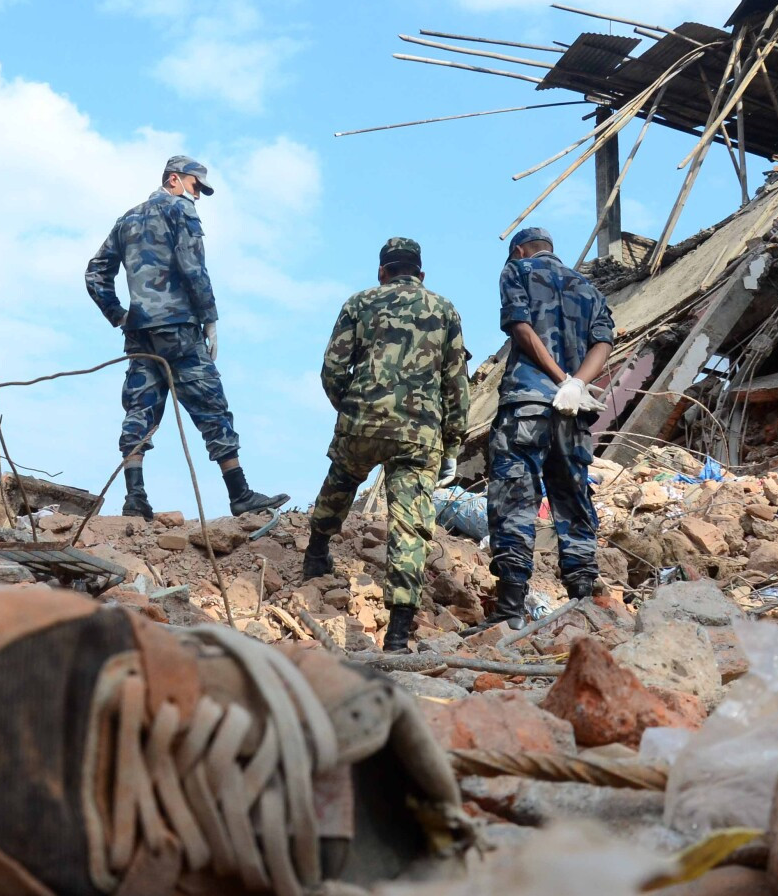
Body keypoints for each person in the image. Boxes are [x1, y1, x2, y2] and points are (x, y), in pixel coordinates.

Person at [86, 155, 288, 519]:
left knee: (139, 408)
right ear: (175, 179)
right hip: (179, 328)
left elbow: (95, 274)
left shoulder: (127, 219)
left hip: (140, 333)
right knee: (211, 405)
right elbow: (194, 268)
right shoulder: (180, 211)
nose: (198, 196)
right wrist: (210, 319)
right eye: (196, 186)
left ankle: (135, 498)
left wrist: (119, 315)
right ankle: (239, 493)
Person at [303, 237, 468, 653]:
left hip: (362, 422)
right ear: (421, 274)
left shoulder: (359, 303)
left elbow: (333, 367)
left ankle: (317, 553)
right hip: (419, 434)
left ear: (382, 272)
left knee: (341, 479)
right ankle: (397, 632)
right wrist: (452, 443)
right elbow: (455, 384)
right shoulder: (444, 309)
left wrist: (353, 410)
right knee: (409, 523)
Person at [484, 226, 615, 623]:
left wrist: (561, 379)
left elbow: (521, 328)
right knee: (573, 502)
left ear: (521, 250)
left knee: (515, 503)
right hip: (572, 412)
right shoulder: (589, 288)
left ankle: (510, 610)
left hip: (528, 403)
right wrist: (578, 384)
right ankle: (583, 606)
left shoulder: (518, 271)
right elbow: (604, 342)